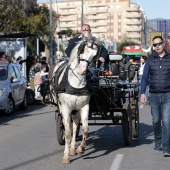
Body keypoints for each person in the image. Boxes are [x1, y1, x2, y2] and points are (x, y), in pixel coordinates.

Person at [140, 35, 170, 157]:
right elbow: (144, 77)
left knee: (167, 121)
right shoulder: (150, 59)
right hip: (154, 95)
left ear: (164, 44)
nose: (157, 46)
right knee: (156, 120)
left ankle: (166, 147)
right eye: (154, 45)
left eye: (159, 44)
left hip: (168, 95)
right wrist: (142, 92)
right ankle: (158, 142)